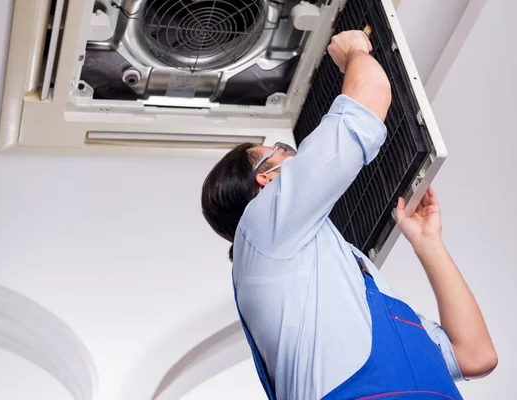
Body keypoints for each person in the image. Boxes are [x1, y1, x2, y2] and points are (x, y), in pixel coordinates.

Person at [201, 30, 497, 400]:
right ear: (266, 180)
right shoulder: (262, 228)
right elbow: (369, 99)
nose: (292, 153)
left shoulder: (355, 282)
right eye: (279, 150)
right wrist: (354, 51)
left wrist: (428, 244)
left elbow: (474, 355)